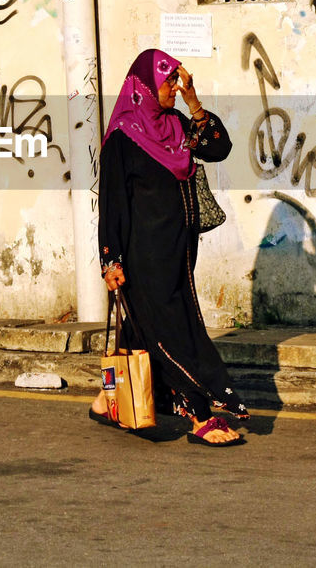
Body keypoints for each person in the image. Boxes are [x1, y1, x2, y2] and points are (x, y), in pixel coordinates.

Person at [90, 48, 248, 447]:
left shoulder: (176, 124)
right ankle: (200, 416)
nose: (175, 89)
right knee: (174, 333)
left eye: (177, 82)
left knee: (146, 331)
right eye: (168, 82)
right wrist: (111, 261)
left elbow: (218, 147)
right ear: (144, 85)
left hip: (178, 252)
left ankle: (107, 400)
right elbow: (111, 204)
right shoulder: (123, 137)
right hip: (142, 257)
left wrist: (194, 103)